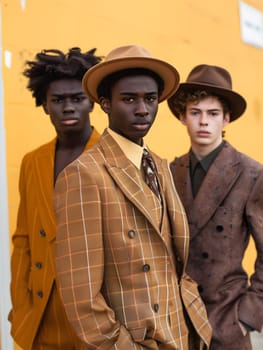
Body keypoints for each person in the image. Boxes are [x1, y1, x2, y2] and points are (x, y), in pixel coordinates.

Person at [54, 44, 212, 350]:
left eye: (150, 99)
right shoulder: (84, 175)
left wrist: (197, 323)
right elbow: (81, 297)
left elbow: (176, 265)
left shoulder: (161, 167)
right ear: (105, 104)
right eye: (129, 99)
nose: (142, 109)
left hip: (185, 335)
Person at [9, 47, 102, 350]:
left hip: (98, 320)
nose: (68, 108)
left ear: (92, 102)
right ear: (45, 105)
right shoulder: (32, 162)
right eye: (58, 100)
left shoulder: (113, 157)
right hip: (42, 314)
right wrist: (21, 306)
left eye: (77, 99)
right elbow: (23, 239)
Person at [168, 64, 263, 350]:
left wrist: (247, 316)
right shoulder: (170, 173)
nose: (204, 122)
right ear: (183, 117)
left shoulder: (251, 174)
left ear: (226, 119)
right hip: (176, 320)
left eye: (213, 114)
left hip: (225, 319)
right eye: (195, 113)